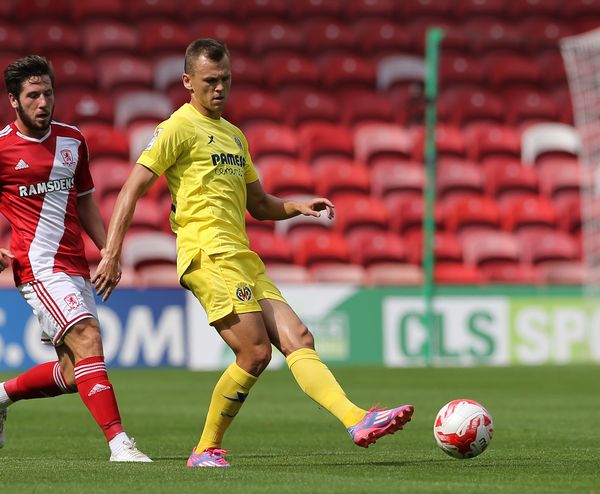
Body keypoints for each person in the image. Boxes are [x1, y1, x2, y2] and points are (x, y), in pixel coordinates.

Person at [93, 38, 413, 468]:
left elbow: (258, 204)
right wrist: (112, 253)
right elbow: (131, 189)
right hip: (208, 254)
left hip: (241, 255)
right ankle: (204, 449)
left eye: (225, 79)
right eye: (210, 80)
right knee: (255, 351)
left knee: (299, 338)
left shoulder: (234, 136)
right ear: (188, 81)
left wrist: (297, 206)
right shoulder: (176, 128)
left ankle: (357, 419)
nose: (219, 88)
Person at [0, 55, 151, 462]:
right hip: (38, 268)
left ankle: (1, 396)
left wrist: (109, 251)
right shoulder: (2, 148)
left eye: (48, 93)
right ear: (13, 100)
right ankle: (119, 443)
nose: (43, 102)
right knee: (87, 336)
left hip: (76, 266)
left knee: (72, 374)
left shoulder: (73, 139)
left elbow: (85, 201)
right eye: (33, 95)